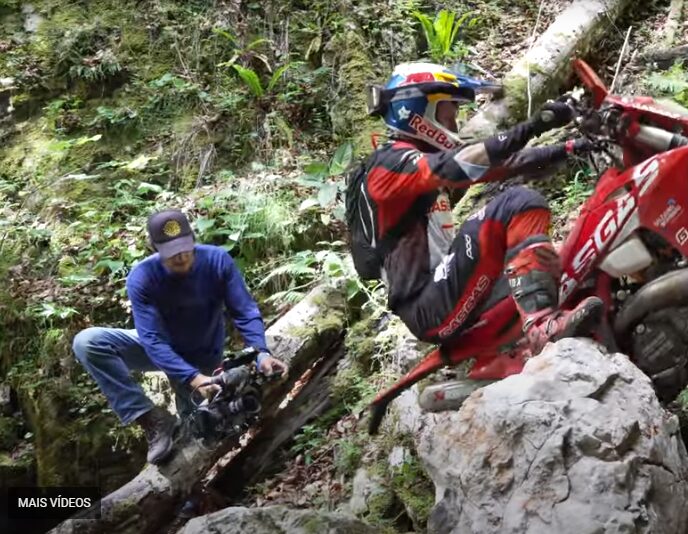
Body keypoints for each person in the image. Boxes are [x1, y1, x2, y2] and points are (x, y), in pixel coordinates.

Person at [346, 62, 602, 354]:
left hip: (443, 291)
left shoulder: (416, 163)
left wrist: (571, 147)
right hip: (427, 305)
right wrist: (534, 125)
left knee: (566, 266)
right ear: (418, 112)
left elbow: (503, 165)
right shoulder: (389, 164)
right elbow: (459, 165)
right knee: (519, 202)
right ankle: (543, 327)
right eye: (448, 112)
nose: (454, 124)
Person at [72, 209, 288, 465]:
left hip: (202, 356)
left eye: (185, 246)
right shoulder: (142, 277)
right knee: (88, 342)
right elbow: (152, 340)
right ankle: (151, 420)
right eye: (171, 250)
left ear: (193, 237)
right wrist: (192, 378)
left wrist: (261, 351)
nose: (181, 255)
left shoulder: (217, 261)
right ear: (153, 246)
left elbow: (245, 311)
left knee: (198, 431)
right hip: (156, 348)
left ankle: (198, 497)